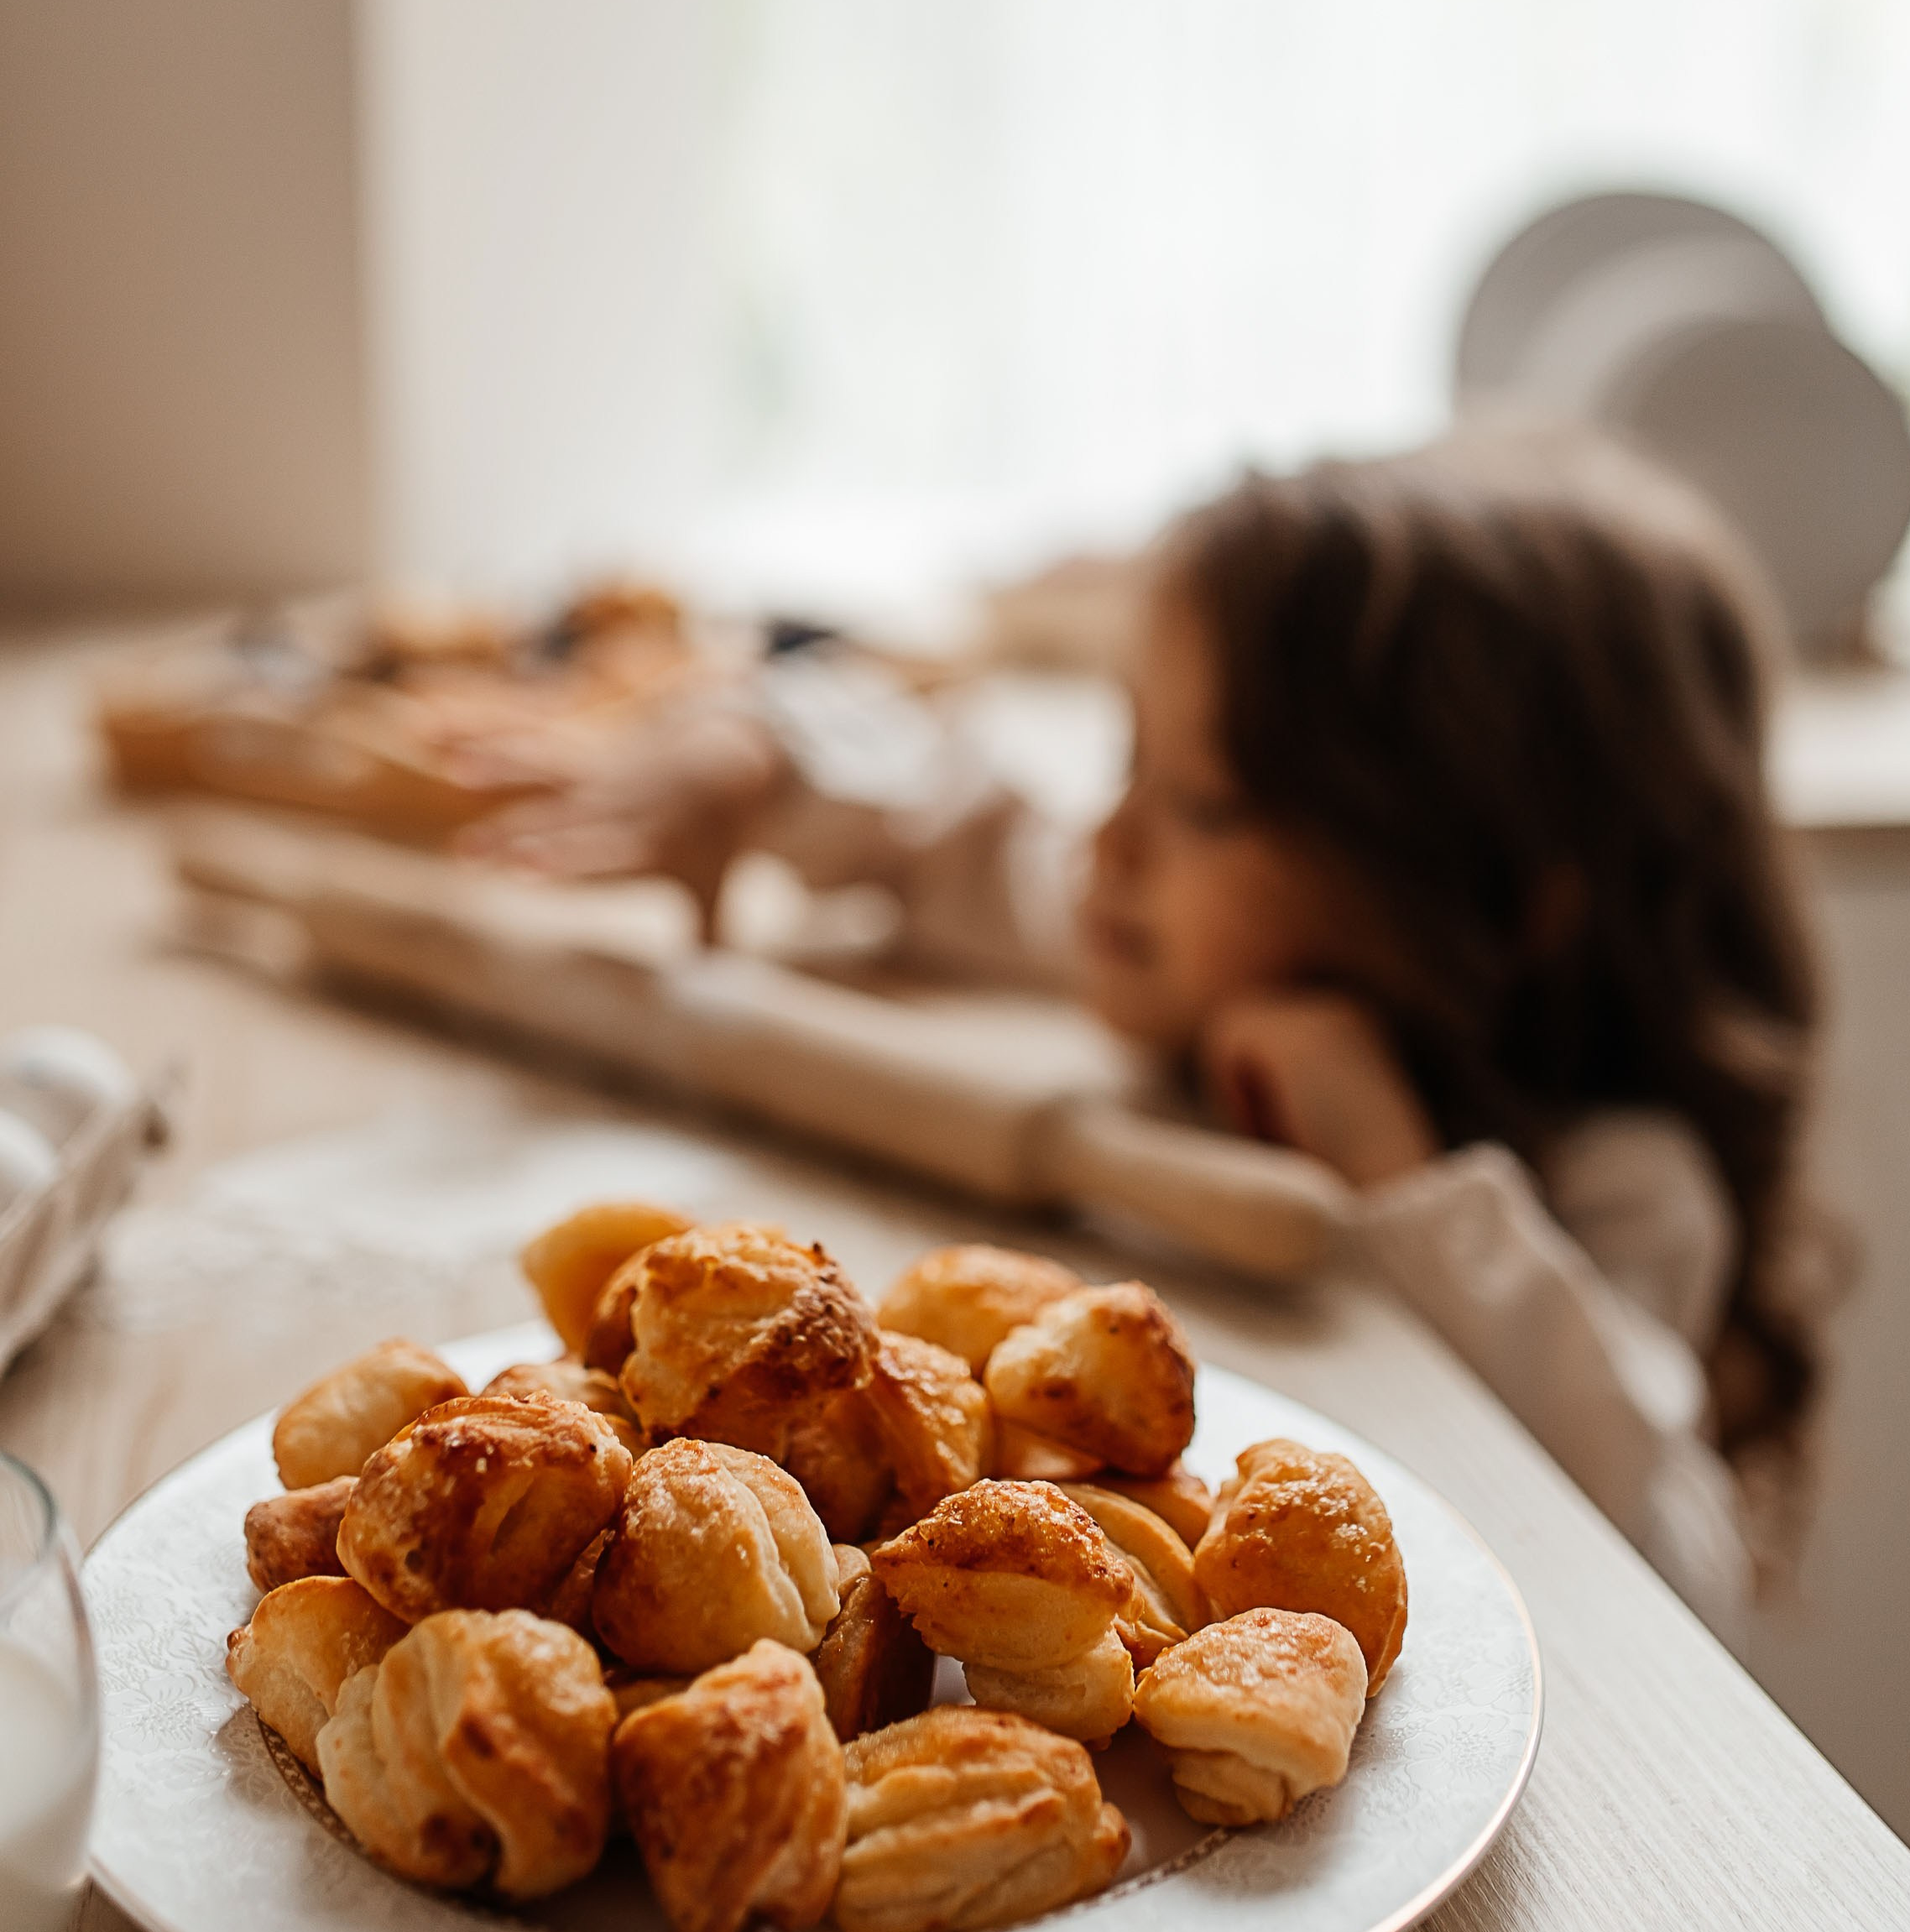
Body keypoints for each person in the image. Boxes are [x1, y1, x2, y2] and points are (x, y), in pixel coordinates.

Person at [470, 431, 1829, 1642]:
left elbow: (1677, 1560)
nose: (1109, 837)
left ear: (1499, 897)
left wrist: (1399, 1176)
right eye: (1128, 759)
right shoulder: (1178, 940)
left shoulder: (1632, 1185)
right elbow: (956, 815)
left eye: (1202, 801)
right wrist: (754, 757)